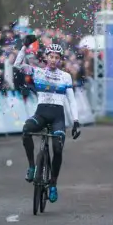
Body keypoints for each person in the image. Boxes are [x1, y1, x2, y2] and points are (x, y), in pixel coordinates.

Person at [13, 35, 81, 204]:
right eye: (51, 56)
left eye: (57, 58)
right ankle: (31, 166)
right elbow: (17, 65)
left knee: (57, 148)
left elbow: (71, 100)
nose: (53, 60)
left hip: (58, 117)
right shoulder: (37, 71)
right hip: (41, 115)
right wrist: (24, 47)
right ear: (46, 57)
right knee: (26, 130)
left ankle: (53, 184)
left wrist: (76, 121)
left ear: (60, 60)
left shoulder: (65, 77)